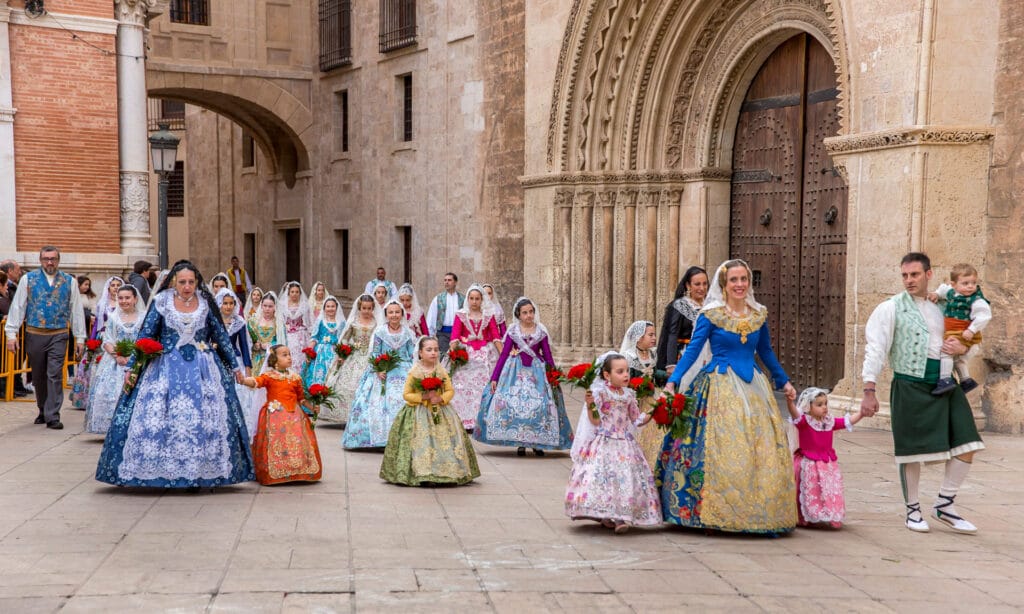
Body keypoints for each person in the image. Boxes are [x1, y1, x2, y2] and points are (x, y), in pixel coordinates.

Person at [659, 259, 797, 534]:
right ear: (723, 284)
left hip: (753, 385)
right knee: (720, 444)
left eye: (744, 279)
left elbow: (766, 352)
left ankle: (757, 510)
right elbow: (693, 351)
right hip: (718, 384)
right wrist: (673, 381)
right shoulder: (711, 315)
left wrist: (784, 380)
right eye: (733, 280)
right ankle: (715, 509)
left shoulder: (758, 314)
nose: (739, 285)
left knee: (758, 446)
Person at [95, 260, 255, 488]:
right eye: (182, 282)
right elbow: (146, 335)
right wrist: (133, 367)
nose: (187, 286)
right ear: (173, 282)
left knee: (205, 418)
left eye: (191, 282)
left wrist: (236, 367)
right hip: (164, 367)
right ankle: (158, 470)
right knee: (159, 416)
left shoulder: (206, 304)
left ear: (197, 282)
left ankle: (201, 470)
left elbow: (220, 335)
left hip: (203, 368)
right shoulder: (161, 302)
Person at [861, 252, 984, 534]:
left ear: (929, 275)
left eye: (914, 275)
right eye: (904, 275)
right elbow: (876, 348)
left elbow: (971, 337)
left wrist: (963, 349)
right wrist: (869, 388)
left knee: (968, 443)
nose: (909, 280)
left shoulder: (946, 306)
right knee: (910, 453)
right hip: (909, 384)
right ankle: (913, 509)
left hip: (945, 382)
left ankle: (945, 504)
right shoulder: (890, 308)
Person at [565, 352, 662, 533]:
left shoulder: (629, 395)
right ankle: (605, 514)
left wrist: (655, 410)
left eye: (627, 371)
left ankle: (621, 516)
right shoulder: (600, 393)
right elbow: (595, 421)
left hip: (625, 443)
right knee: (604, 477)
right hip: (605, 441)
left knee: (624, 478)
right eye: (620, 371)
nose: (626, 375)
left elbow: (636, 419)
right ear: (607, 375)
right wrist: (590, 405)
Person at [474, 297, 573, 456]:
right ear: (518, 315)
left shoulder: (541, 332)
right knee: (511, 403)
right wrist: (495, 378)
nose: (528, 315)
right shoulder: (513, 332)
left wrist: (553, 376)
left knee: (541, 404)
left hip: (537, 372)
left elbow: (547, 356)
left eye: (531, 312)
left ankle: (537, 442)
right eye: (525, 313)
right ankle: (520, 442)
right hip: (514, 372)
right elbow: (504, 354)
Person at [379, 336, 481, 486]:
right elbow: (406, 394)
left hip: (441, 410)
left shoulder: (440, 370)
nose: (433, 353)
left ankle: (447, 472)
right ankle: (424, 473)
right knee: (422, 442)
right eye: (429, 350)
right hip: (419, 412)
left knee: (445, 441)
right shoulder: (415, 372)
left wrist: (441, 398)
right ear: (420, 353)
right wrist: (423, 396)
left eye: (436, 349)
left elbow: (449, 390)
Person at [4, 247, 86, 429]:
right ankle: (43, 408)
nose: (50, 262)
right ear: (40, 260)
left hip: (59, 334)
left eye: (53, 259)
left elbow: (76, 310)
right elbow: (18, 307)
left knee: (55, 374)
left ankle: (53, 415)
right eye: (46, 259)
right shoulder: (28, 279)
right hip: (35, 333)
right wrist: (11, 333)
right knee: (39, 375)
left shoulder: (69, 281)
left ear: (58, 260)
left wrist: (80, 337)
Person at [241, 345, 323, 485]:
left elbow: (301, 398)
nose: (289, 357)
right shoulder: (269, 376)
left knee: (298, 441)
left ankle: (299, 469)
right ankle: (278, 470)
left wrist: (312, 407)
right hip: (275, 416)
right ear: (274, 360)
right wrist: (243, 380)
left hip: (295, 415)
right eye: (284, 355)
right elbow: (256, 382)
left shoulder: (295, 377)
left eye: (289, 354)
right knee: (277, 443)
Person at [784, 387, 864, 528]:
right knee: (808, 490)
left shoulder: (829, 422)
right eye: (819, 404)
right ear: (808, 407)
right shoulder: (804, 422)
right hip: (809, 463)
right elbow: (795, 414)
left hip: (827, 465)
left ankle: (828, 513)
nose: (824, 407)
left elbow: (847, 422)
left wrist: (862, 413)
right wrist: (790, 403)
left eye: (825, 403)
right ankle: (805, 515)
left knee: (828, 490)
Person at [343, 300, 417, 449]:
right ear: (386, 314)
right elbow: (375, 353)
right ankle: (374, 438)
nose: (394, 315)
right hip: (382, 370)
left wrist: (413, 372)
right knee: (375, 400)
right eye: (391, 312)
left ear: (402, 314)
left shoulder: (408, 332)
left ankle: (403, 438)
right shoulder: (380, 331)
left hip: (403, 370)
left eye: (397, 312)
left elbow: (411, 355)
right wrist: (378, 369)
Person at [85, 285, 143, 435]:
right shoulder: (113, 317)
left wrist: (135, 357)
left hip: (137, 360)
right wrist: (117, 356)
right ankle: (111, 428)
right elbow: (107, 339)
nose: (124, 301)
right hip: (115, 360)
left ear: (135, 299)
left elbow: (145, 340)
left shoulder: (143, 317)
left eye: (127, 298)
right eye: (121, 298)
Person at [928, 263, 991, 395]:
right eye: (965, 283)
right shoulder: (952, 292)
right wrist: (936, 294)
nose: (970, 286)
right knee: (958, 359)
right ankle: (966, 380)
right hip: (954, 330)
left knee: (947, 351)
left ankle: (945, 380)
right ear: (954, 284)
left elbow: (984, 316)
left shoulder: (976, 300)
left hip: (962, 331)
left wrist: (972, 329)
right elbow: (943, 290)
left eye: (973, 283)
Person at [447, 284, 501, 430]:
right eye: (471, 298)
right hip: (466, 353)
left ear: (482, 300)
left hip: (484, 353)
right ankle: (464, 419)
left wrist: (503, 355)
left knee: (483, 385)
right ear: (468, 299)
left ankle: (481, 419)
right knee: (462, 385)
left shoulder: (489, 316)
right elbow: (455, 336)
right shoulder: (461, 315)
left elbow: (496, 336)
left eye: (477, 298)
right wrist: (453, 353)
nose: (474, 301)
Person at [619, 320, 669, 469]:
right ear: (639, 337)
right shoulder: (629, 356)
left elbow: (656, 374)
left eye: (654, 334)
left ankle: (653, 461)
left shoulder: (653, 353)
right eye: (650, 335)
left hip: (652, 397)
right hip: (637, 401)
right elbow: (626, 380)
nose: (654, 338)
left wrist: (668, 376)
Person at [70, 276, 124, 410]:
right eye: (113, 285)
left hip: (119, 338)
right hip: (103, 336)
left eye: (118, 285)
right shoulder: (102, 304)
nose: (116, 287)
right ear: (108, 287)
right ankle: (86, 399)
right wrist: (92, 341)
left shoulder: (125, 302)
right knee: (88, 365)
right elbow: (96, 325)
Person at [324, 294, 378, 424]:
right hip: (354, 355)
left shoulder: (376, 323)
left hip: (369, 356)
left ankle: (362, 416)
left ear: (372, 309)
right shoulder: (354, 322)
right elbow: (345, 338)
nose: (366, 311)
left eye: (369, 308)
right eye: (364, 308)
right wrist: (343, 353)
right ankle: (345, 415)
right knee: (347, 383)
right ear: (359, 308)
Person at [216, 288, 254, 441]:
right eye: (225, 303)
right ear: (219, 304)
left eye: (231, 303)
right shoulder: (214, 322)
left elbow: (244, 347)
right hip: (217, 361)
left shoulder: (239, 322)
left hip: (235, 362)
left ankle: (239, 428)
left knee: (238, 394)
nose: (228, 306)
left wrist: (247, 369)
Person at [656, 266, 709, 373]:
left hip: (708, 355)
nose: (702, 288)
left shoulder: (710, 306)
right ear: (688, 285)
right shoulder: (680, 305)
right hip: (685, 354)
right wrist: (671, 363)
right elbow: (672, 334)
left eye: (705, 283)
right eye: (697, 284)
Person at [303, 296, 344, 390]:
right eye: (328, 306)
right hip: (320, 353)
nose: (330, 309)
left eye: (333, 306)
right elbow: (314, 337)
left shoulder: (341, 323)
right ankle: (317, 395)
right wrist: (309, 352)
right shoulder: (320, 321)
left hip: (335, 352)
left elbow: (343, 339)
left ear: (336, 308)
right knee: (318, 375)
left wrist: (341, 355)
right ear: (324, 308)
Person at [426, 272, 465, 354]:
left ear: (455, 282)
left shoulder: (463, 299)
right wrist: (431, 335)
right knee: (443, 357)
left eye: (449, 280)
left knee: (458, 358)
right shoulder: (438, 299)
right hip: (443, 334)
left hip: (459, 333)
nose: (446, 282)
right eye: (445, 280)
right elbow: (432, 317)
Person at [279, 281, 312, 372]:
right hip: (287, 335)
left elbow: (308, 322)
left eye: (297, 292)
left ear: (300, 293)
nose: (294, 294)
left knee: (300, 357)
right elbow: (280, 320)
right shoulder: (282, 305)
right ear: (288, 292)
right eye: (292, 292)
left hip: (301, 335)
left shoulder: (305, 305)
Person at [248, 292, 281, 376]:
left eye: (270, 306)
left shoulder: (279, 323)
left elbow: (282, 342)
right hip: (256, 358)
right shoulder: (253, 321)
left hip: (272, 358)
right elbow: (248, 340)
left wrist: (270, 346)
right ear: (261, 305)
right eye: (265, 306)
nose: (267, 309)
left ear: (275, 307)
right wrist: (255, 344)